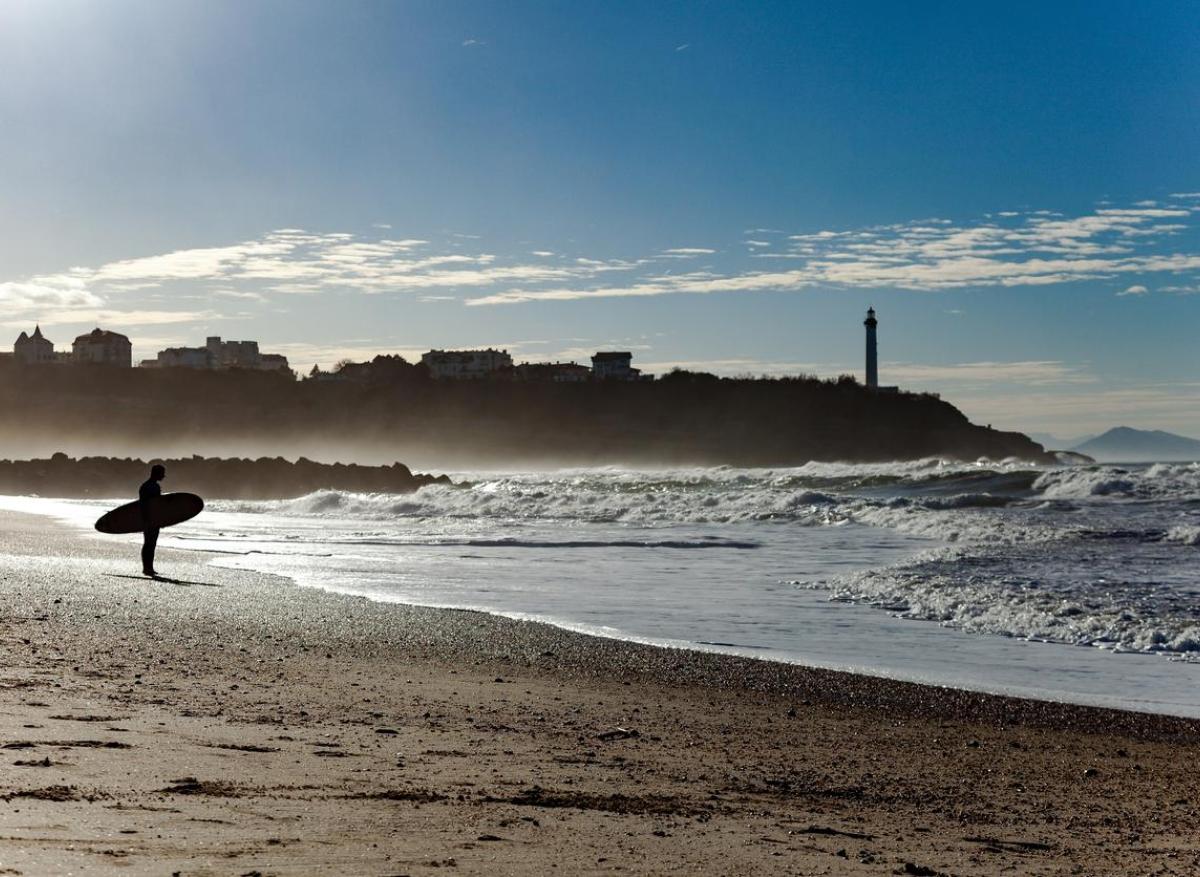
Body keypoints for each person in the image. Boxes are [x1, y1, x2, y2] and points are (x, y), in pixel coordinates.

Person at [139, 464, 166, 577]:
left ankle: (148, 567)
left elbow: (143, 505)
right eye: (162, 473)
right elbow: (155, 505)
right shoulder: (153, 487)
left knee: (149, 543)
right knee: (150, 543)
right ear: (157, 473)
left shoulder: (145, 485)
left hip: (147, 518)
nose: (164, 476)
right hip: (151, 519)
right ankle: (147, 568)